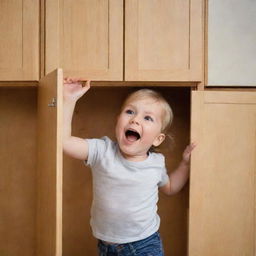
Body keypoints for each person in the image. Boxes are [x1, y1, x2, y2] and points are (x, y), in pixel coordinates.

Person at [63, 77, 196, 256]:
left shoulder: (156, 163)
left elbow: (170, 187)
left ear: (158, 138)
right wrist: (68, 100)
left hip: (145, 244)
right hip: (106, 246)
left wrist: (185, 164)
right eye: (130, 112)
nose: (135, 120)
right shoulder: (102, 150)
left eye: (147, 117)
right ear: (118, 121)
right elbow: (64, 142)